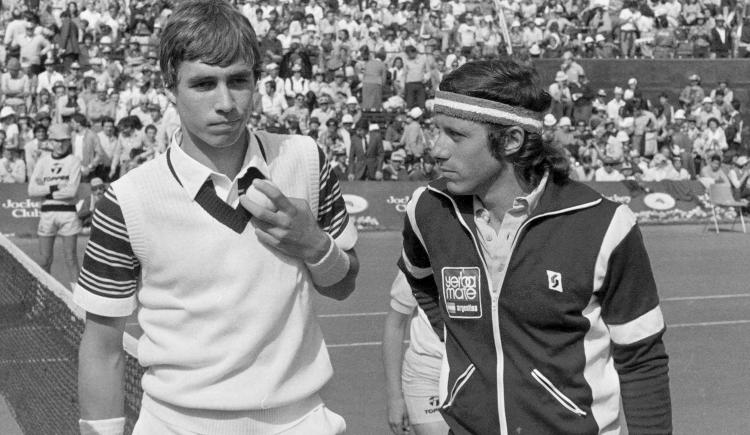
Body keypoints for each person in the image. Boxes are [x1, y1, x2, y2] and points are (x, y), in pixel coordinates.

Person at [75, 2, 359, 435]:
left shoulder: (305, 158)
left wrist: (315, 244)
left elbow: (343, 284)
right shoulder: (128, 199)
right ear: (170, 86)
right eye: (204, 83)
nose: (225, 103)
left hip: (301, 422)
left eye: (238, 81)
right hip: (176, 425)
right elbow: (102, 348)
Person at [399, 59, 671, 434]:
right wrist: (465, 343)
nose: (437, 149)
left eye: (456, 135)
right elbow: (420, 280)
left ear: (511, 140)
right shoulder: (427, 210)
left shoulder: (603, 224)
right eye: (437, 131)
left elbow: (642, 358)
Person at [383, 272, 448, 435]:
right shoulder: (419, 254)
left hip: (476, 374)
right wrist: (394, 398)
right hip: (428, 374)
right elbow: (394, 325)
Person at [28, 123, 82, 288]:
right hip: (47, 214)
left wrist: (46, 192)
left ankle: (79, 302)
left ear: (69, 141)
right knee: (44, 259)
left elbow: (72, 192)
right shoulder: (43, 162)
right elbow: (31, 190)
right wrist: (54, 187)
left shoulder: (74, 161)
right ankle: (41, 298)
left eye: (64, 141)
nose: (60, 144)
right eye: (57, 141)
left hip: (68, 215)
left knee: (71, 258)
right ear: (51, 142)